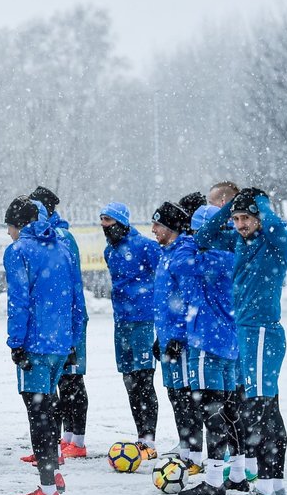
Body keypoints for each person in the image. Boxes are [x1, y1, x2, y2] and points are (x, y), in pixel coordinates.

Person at [200, 188, 287, 495]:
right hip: (248, 334)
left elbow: (277, 228)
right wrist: (228, 209)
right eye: (237, 219)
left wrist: (263, 202)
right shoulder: (239, 243)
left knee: (259, 411)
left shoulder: (275, 243)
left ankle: (265, 489)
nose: (240, 225)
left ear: (259, 217)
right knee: (268, 410)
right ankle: (275, 485)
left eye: (246, 218)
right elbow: (203, 237)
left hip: (262, 333)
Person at [3, 196, 85, 495]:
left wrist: (16, 343)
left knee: (38, 413)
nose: (9, 234)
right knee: (49, 407)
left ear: (18, 225)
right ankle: (54, 473)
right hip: (61, 342)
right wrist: (74, 339)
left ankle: (48, 488)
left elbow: (18, 300)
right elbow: (77, 296)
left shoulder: (18, 251)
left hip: (35, 343)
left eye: (10, 227)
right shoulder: (62, 247)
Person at [178, 205, 240, 495]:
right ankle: (237, 472)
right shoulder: (232, 257)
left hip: (206, 341)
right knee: (230, 410)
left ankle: (214, 479)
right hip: (229, 342)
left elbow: (177, 264)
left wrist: (190, 241)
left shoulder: (205, 260)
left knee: (210, 410)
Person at [29, 186, 90, 459]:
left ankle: (76, 439)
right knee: (47, 386)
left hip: (66, 319)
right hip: (49, 321)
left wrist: (75, 323)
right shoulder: (37, 238)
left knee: (71, 380)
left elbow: (72, 281)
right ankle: (50, 444)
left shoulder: (62, 237)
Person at [100, 201, 162, 458]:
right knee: (129, 381)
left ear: (122, 223)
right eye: (102, 221)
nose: (105, 227)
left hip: (144, 322)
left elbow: (164, 279)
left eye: (109, 221)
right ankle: (140, 436)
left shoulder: (146, 246)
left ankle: (149, 440)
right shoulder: (109, 252)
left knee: (144, 379)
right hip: (121, 323)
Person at [151, 201, 203, 473]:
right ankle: (185, 449)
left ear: (170, 227)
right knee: (174, 394)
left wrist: (179, 337)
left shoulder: (183, 254)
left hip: (181, 343)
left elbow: (189, 301)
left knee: (186, 396)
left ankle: (193, 455)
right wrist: (161, 336)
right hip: (167, 337)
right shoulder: (167, 253)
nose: (153, 229)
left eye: (157, 224)